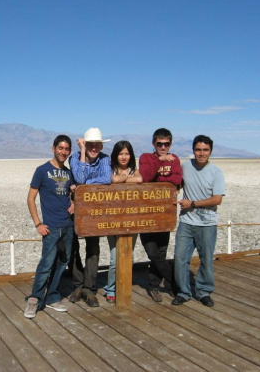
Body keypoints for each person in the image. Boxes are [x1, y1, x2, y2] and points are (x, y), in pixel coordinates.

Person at [24, 135, 75, 319]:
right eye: (60, 148)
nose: (63, 152)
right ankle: (34, 299)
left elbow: (69, 196)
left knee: (62, 263)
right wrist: (38, 223)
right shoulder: (42, 171)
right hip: (51, 228)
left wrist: (73, 202)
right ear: (53, 148)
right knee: (46, 264)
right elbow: (31, 198)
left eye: (67, 149)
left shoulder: (69, 173)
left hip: (68, 226)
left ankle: (52, 296)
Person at [172, 135, 225, 307]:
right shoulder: (185, 166)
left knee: (206, 259)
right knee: (180, 258)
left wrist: (192, 204)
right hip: (186, 222)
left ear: (210, 151)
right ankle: (183, 292)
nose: (201, 153)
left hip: (207, 223)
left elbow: (217, 199)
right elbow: (176, 183)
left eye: (205, 150)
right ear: (193, 150)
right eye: (198, 149)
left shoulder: (216, 172)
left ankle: (203, 292)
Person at [68, 127, 112, 307]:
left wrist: (83, 186)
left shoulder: (105, 159)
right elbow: (79, 175)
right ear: (84, 144)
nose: (94, 148)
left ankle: (89, 287)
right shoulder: (75, 158)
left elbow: (107, 178)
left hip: (95, 212)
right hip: (75, 210)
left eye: (97, 145)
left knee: (93, 248)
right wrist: (83, 153)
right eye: (90, 145)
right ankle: (77, 285)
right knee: (74, 247)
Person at [138, 128, 182, 302]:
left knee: (161, 252)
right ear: (153, 144)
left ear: (170, 144)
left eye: (166, 144)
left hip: (165, 214)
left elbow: (177, 181)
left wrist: (161, 180)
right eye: (160, 144)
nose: (163, 147)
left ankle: (154, 286)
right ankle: (174, 281)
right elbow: (146, 177)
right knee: (152, 252)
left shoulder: (175, 159)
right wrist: (161, 162)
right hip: (146, 214)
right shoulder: (146, 158)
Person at [103, 141, 142, 303]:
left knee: (128, 256)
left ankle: (123, 286)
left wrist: (122, 178)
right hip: (112, 220)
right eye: (121, 154)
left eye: (127, 153)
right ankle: (111, 288)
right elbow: (110, 179)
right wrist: (127, 178)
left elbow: (139, 180)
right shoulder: (110, 169)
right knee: (114, 258)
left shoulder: (135, 170)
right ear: (116, 155)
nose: (124, 157)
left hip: (132, 220)